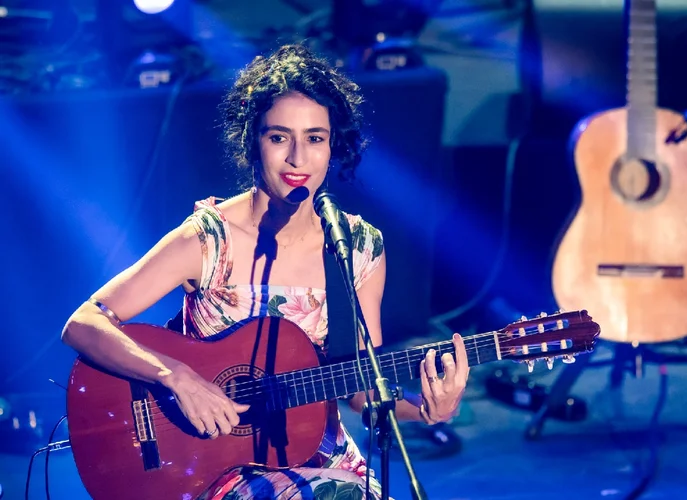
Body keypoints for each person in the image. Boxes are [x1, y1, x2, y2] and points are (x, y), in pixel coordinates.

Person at [61, 43, 469, 500]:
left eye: (315, 138)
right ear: (254, 142)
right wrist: (175, 375)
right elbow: (84, 322)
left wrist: (428, 409)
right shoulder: (208, 238)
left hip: (321, 460)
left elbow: (360, 392)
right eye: (279, 137)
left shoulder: (356, 248)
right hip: (212, 463)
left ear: (334, 147)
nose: (298, 158)